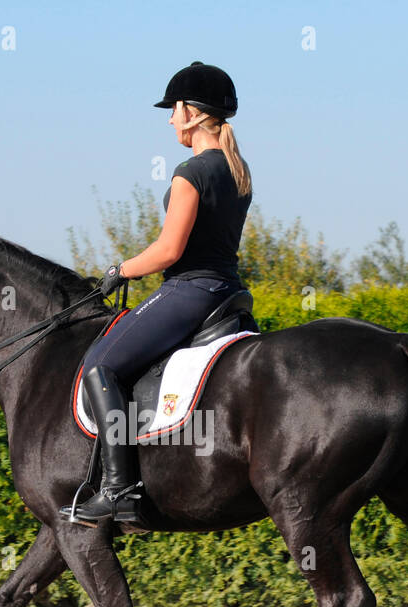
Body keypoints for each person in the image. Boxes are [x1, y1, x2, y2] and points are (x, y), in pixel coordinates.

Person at [60, 61, 254, 527]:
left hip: (191, 289)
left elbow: (169, 250)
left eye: (173, 110)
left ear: (191, 112)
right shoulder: (237, 170)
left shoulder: (191, 171)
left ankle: (118, 489)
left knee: (100, 365)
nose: (170, 119)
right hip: (229, 290)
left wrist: (119, 270)